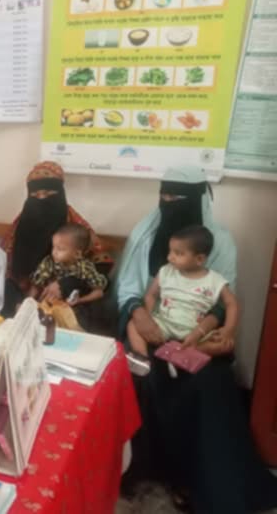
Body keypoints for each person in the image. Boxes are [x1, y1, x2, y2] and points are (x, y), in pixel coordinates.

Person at [116, 166, 277, 514]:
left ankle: (197, 480)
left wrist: (207, 335)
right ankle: (140, 471)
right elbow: (130, 289)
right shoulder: (145, 234)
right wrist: (141, 317)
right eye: (164, 195)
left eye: (178, 197)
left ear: (199, 198)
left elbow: (222, 301)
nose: (169, 202)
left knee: (210, 384)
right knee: (140, 375)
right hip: (151, 329)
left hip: (198, 335)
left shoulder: (219, 241)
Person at [1, 161, 113, 317]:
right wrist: (20, 303)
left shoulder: (75, 226)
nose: (41, 200)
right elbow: (4, 269)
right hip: (24, 298)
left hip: (65, 303)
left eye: (49, 194)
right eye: (35, 195)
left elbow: (101, 269)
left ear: (60, 194)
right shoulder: (19, 226)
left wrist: (66, 284)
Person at [126, 225, 239, 375]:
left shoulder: (215, 280)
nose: (170, 257)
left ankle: (183, 353)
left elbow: (231, 303)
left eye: (178, 253)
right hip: (164, 325)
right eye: (170, 251)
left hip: (196, 331)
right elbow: (151, 295)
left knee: (226, 345)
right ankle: (142, 358)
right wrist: (149, 317)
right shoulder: (166, 271)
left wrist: (229, 330)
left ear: (199, 259)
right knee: (133, 324)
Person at [29, 223, 108, 308]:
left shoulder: (85, 268)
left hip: (73, 306)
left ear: (77, 254)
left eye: (60, 249)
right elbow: (35, 286)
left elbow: (99, 293)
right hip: (48, 304)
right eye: (53, 247)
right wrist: (28, 301)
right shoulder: (49, 262)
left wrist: (79, 300)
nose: (54, 252)